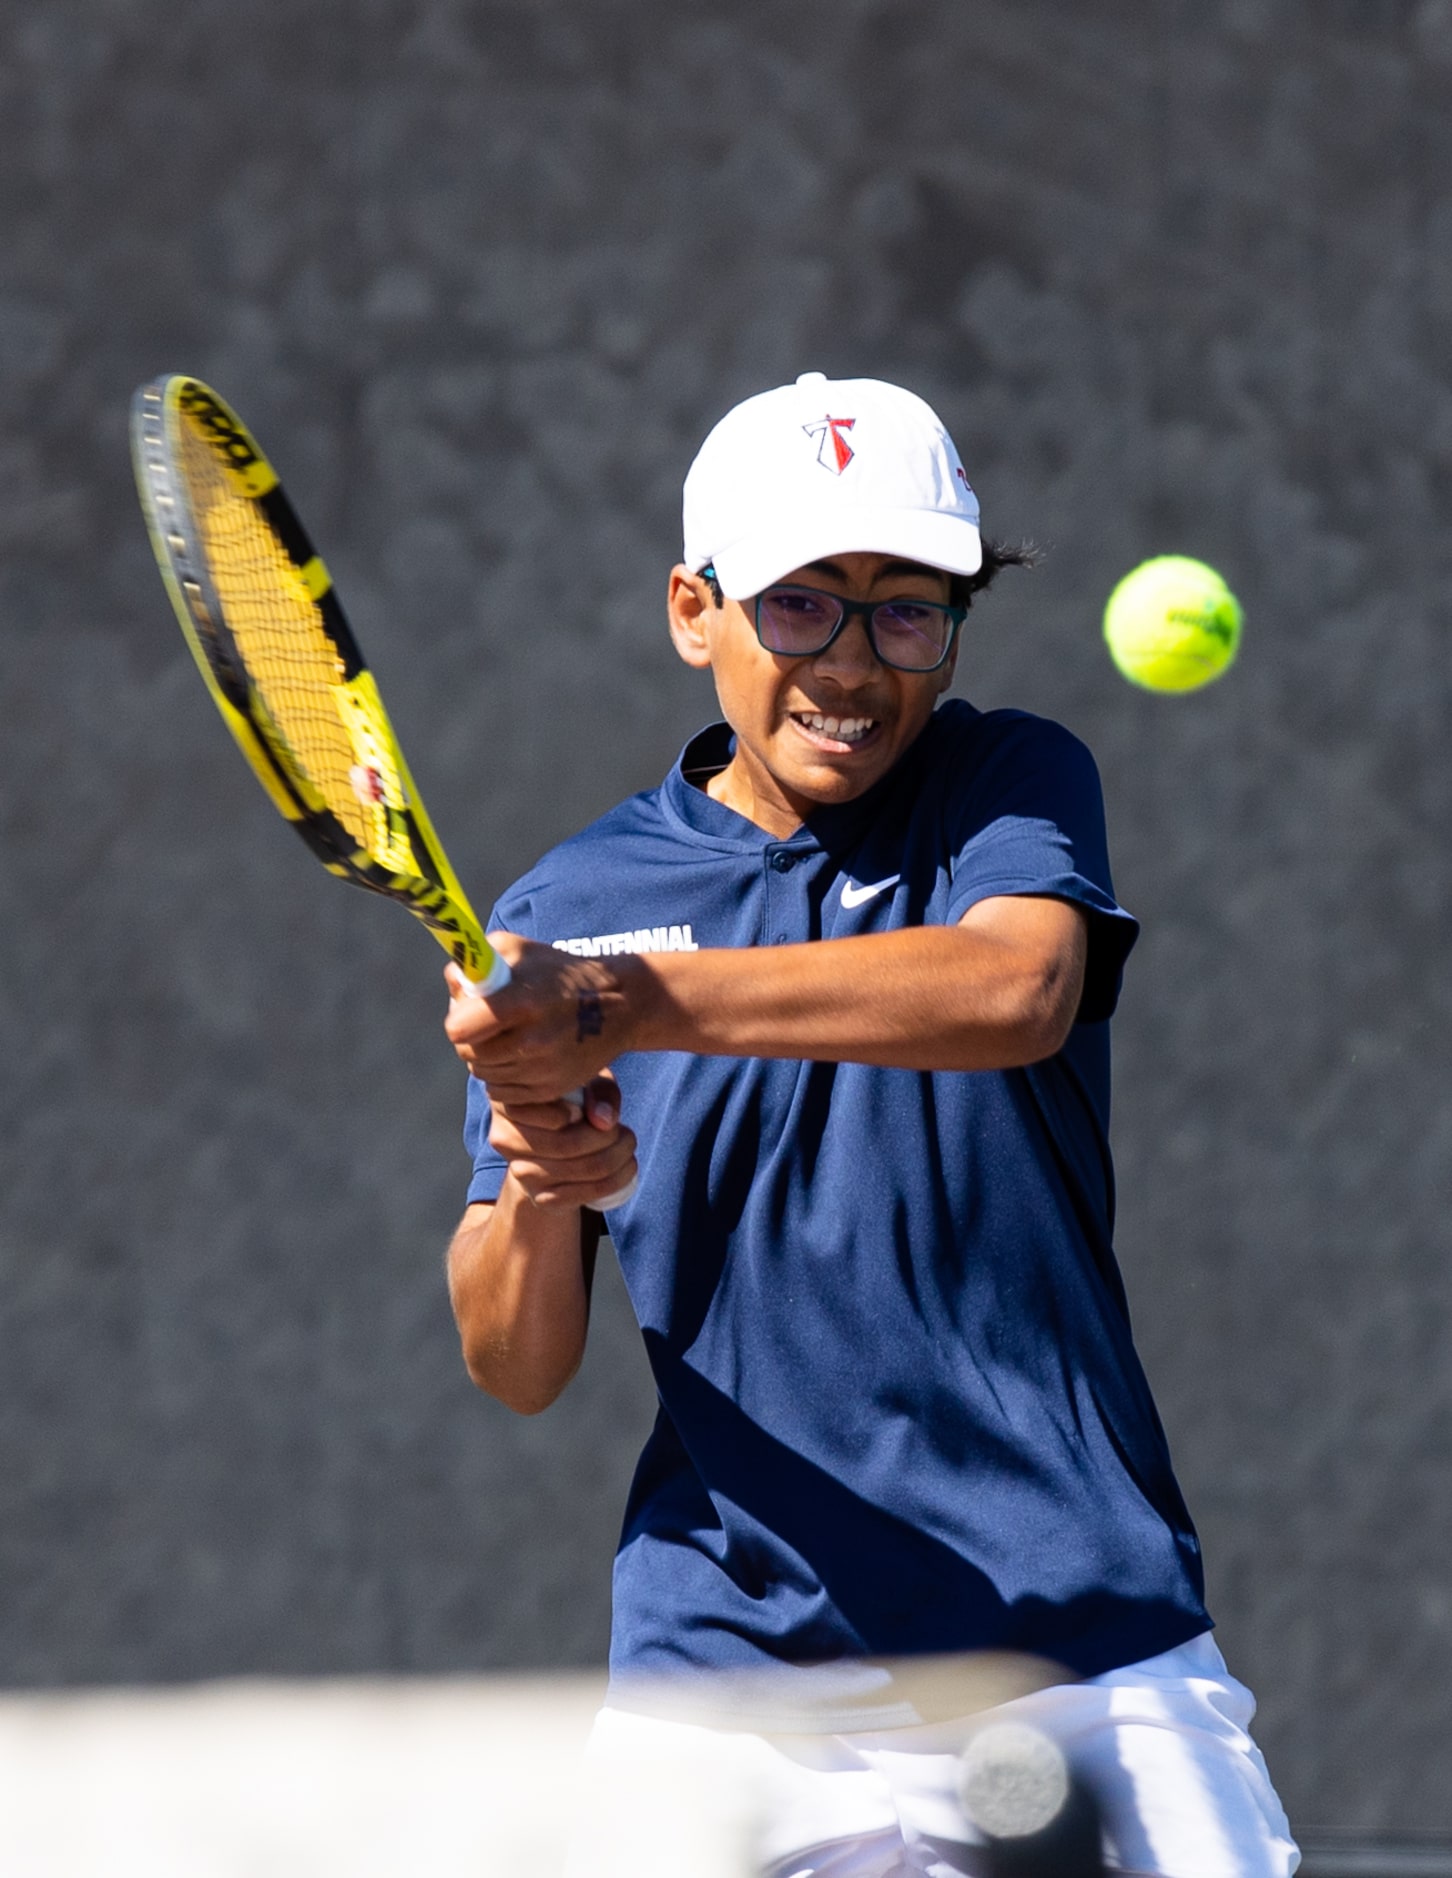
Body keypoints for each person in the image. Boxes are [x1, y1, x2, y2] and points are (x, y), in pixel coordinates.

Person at [442, 373, 1298, 1876]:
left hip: (1076, 1647)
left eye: (908, 609)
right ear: (691, 610)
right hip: (722, 1692)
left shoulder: (1002, 787)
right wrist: (537, 1187)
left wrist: (637, 1002)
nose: (853, 661)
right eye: (800, 607)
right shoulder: (563, 911)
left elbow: (1019, 985)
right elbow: (518, 1360)